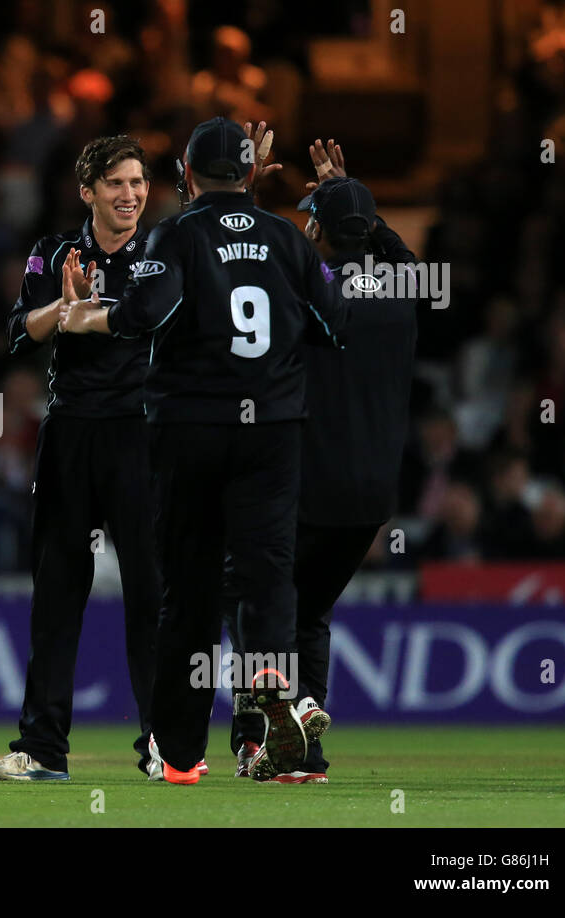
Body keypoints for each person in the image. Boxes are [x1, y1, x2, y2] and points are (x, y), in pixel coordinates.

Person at [59, 117, 350, 784]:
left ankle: (182, 755)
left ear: (186, 176)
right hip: (273, 432)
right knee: (265, 576)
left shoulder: (178, 234)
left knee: (186, 591)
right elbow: (339, 324)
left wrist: (84, 315)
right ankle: (269, 678)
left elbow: (139, 316)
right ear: (251, 173)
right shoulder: (284, 238)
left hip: (188, 430)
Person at [228, 144, 422, 783]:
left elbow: (252, 269)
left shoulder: (314, 289)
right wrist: (355, 201)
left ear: (320, 230)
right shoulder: (400, 289)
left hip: (308, 481)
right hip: (370, 498)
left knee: (259, 600)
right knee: (308, 611)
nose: (305, 227)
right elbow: (396, 258)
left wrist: (241, 194)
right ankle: (303, 753)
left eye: (312, 218)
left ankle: (282, 714)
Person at [0, 136, 164, 781]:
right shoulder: (53, 252)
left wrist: (95, 313)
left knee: (151, 591)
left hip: (142, 436)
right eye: (116, 183)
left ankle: (163, 743)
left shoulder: (162, 252)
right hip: (71, 435)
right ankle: (42, 749)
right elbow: (14, 334)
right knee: (57, 594)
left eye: (138, 182)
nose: (131, 194)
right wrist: (65, 306)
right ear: (87, 191)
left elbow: (161, 322)